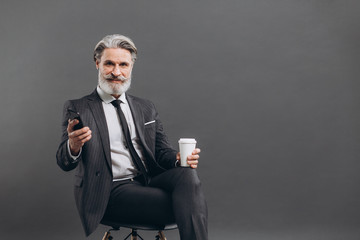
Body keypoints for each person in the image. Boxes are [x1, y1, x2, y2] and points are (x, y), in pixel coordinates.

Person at [56, 34, 208, 240]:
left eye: (123, 65)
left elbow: (161, 152)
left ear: (131, 67)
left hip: (146, 181)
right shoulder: (79, 108)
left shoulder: (145, 107)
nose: (116, 72)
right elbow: (64, 162)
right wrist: (73, 146)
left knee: (187, 175)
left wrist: (178, 159)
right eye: (109, 64)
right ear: (97, 63)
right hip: (109, 191)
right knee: (189, 201)